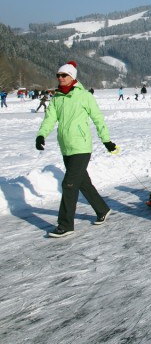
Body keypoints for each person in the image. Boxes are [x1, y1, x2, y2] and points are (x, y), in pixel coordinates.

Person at [36, 61, 117, 238]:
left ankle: (65, 224)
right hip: (66, 147)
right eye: (58, 75)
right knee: (82, 182)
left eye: (63, 75)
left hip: (81, 147)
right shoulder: (57, 97)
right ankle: (102, 209)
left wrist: (106, 140)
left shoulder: (85, 96)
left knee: (69, 184)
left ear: (72, 77)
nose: (60, 78)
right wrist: (41, 135)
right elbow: (50, 119)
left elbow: (98, 119)